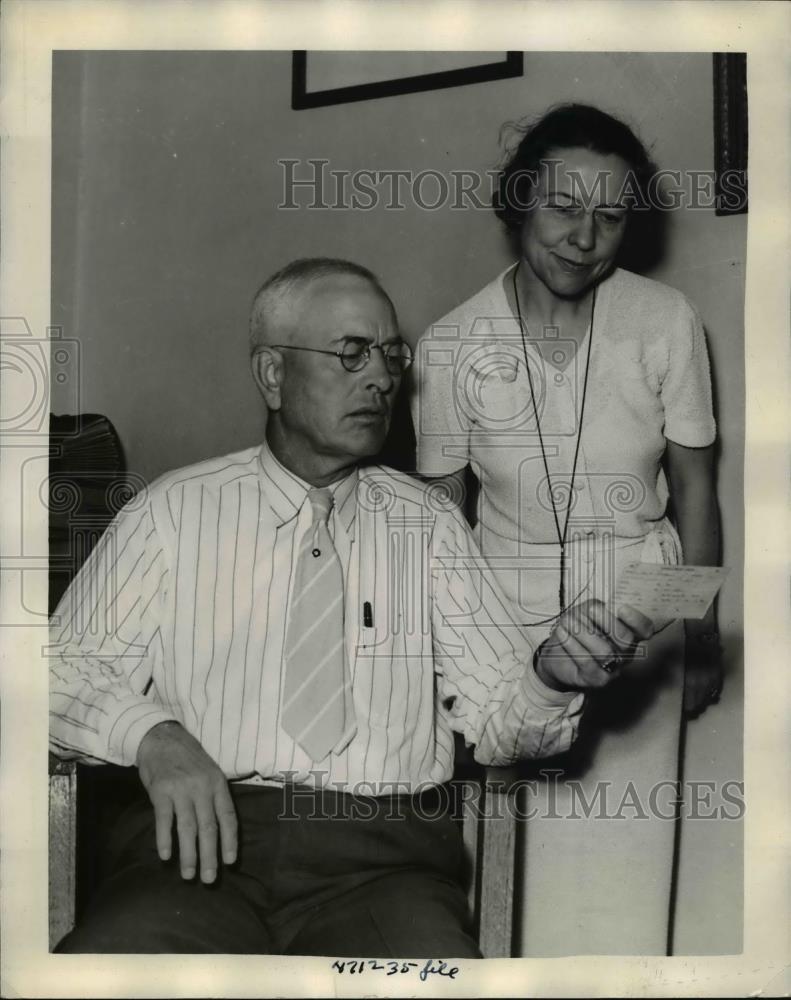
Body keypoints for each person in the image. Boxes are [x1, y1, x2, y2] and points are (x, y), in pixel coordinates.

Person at [48, 257, 658, 957]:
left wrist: (548, 675)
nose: (380, 377)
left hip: (385, 872)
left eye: (390, 356)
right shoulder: (172, 512)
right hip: (191, 858)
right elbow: (51, 673)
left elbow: (499, 724)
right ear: (272, 374)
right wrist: (152, 735)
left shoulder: (427, 526)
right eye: (350, 353)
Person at [411, 104, 722, 955]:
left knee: (622, 875)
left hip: (640, 617)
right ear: (518, 202)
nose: (585, 237)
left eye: (611, 216)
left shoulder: (663, 322)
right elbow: (439, 528)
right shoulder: (448, 348)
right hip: (503, 638)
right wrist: (443, 664)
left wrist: (695, 634)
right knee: (506, 883)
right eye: (562, 208)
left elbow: (693, 490)